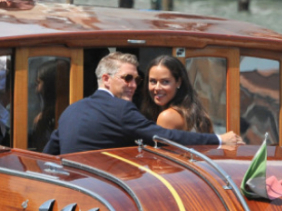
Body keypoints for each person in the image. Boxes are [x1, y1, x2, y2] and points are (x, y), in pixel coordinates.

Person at [43, 52, 242, 155]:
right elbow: (165, 137)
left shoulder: (71, 110)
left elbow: (48, 155)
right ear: (106, 79)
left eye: (137, 80)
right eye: (127, 78)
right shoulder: (121, 110)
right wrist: (219, 140)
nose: (133, 85)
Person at [141, 55, 213, 133]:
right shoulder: (190, 111)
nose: (157, 88)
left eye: (165, 82)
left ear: (178, 82)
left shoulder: (167, 117)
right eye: (153, 81)